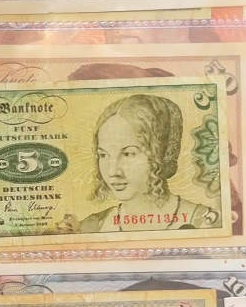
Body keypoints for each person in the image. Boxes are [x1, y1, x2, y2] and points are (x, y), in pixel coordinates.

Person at [79, 93, 218, 233]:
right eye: (103, 155)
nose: (113, 172)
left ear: (160, 153)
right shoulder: (90, 227)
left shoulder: (206, 222)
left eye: (128, 154)